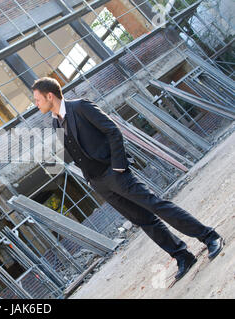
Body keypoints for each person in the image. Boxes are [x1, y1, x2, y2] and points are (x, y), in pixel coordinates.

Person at [31, 77, 224, 281]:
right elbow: (74, 151)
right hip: (99, 182)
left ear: (49, 95)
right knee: (143, 220)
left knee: (157, 206)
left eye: (37, 99)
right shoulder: (55, 122)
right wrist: (90, 179)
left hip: (115, 173)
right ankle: (182, 255)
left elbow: (112, 130)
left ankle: (209, 236)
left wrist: (118, 166)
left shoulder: (80, 107)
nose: (36, 104)